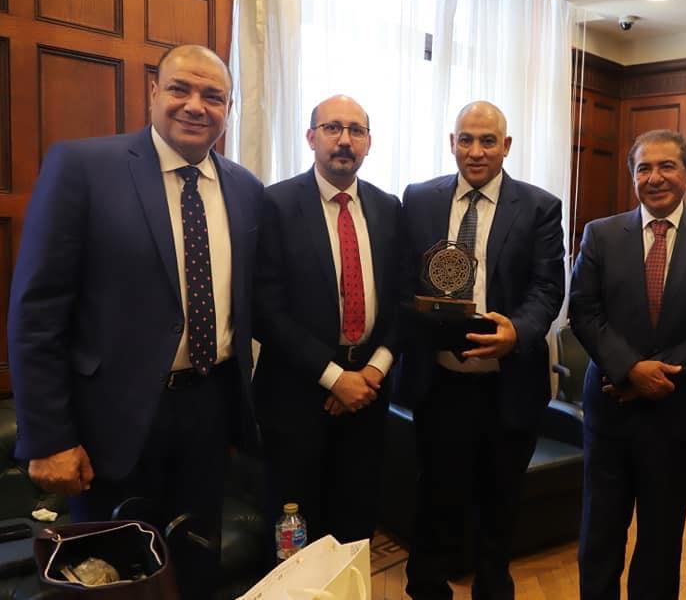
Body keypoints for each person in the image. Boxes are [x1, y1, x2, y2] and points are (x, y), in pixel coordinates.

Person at [8, 44, 264, 598]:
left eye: (213, 96)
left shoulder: (246, 189)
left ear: (229, 108)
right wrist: (48, 438)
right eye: (180, 89)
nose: (195, 105)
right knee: (112, 576)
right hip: (111, 423)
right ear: (153, 93)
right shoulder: (83, 168)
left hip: (209, 411)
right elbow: (37, 311)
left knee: (196, 566)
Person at [399, 101, 565, 600]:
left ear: (505, 146)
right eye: (466, 139)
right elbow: (401, 277)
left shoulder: (539, 207)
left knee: (500, 504)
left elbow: (547, 288)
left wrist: (518, 331)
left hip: (507, 385)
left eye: (488, 140)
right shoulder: (418, 198)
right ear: (452, 143)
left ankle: (493, 590)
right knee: (434, 498)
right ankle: (427, 589)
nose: (476, 151)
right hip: (439, 383)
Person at [569, 130, 686, 600]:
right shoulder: (601, 234)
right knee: (600, 531)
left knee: (662, 538)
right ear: (633, 177)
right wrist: (630, 370)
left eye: (667, 166)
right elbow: (583, 312)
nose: (655, 177)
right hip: (610, 408)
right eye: (644, 168)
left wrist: (657, 373)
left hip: (677, 412)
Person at [252, 94, 401, 542]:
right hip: (295, 398)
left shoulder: (388, 207)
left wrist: (372, 372)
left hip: (368, 397)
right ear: (311, 137)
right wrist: (335, 378)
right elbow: (265, 308)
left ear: (369, 142)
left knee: (356, 521)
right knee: (295, 530)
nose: (344, 140)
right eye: (333, 128)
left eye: (356, 130)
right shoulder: (275, 204)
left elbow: (401, 300)